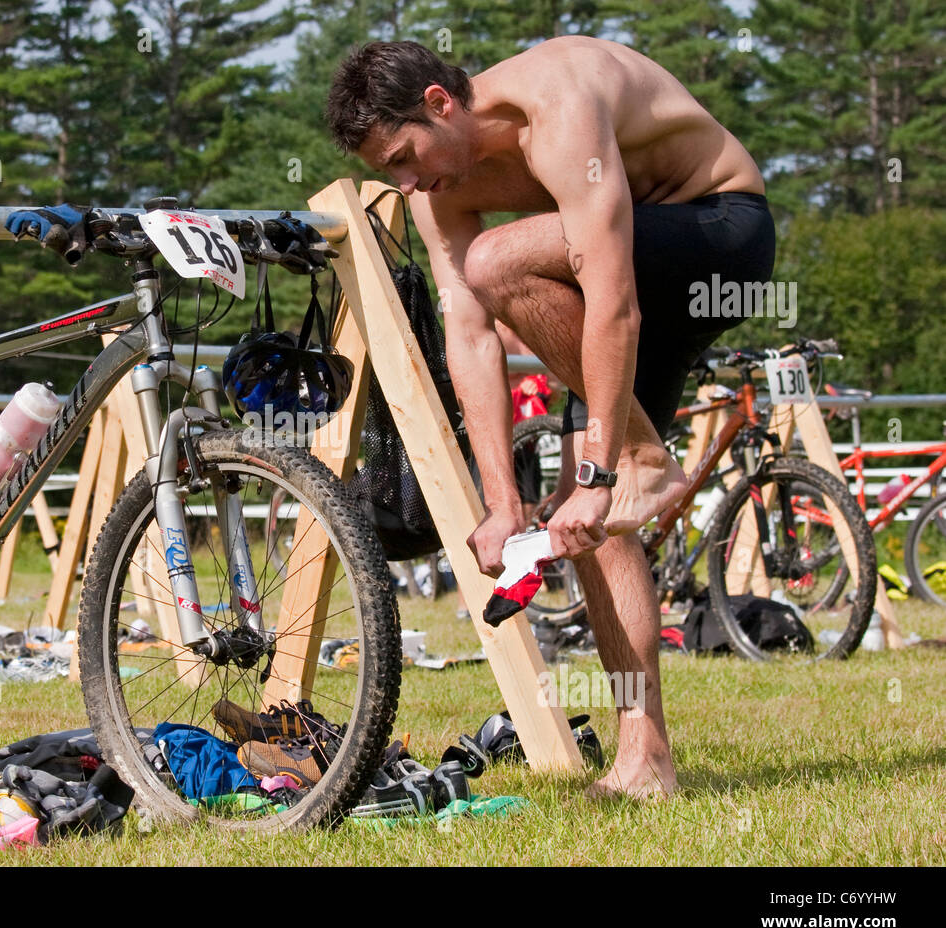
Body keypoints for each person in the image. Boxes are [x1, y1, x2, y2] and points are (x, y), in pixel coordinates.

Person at [325, 37, 775, 799]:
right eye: (386, 173)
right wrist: (503, 504)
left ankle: (638, 462)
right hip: (620, 271)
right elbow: (468, 336)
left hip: (717, 236)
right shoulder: (440, 190)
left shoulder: (559, 104)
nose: (404, 184)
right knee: (585, 519)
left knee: (498, 260)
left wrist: (609, 461)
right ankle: (646, 759)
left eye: (405, 156)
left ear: (441, 103)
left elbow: (615, 299)